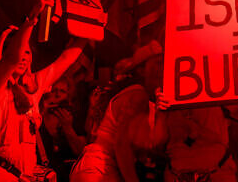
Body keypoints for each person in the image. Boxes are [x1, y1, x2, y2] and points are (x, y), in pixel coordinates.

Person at [0, 0, 88, 181]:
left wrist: (92, 25)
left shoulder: (34, 87)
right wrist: (33, 15)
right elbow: (12, 58)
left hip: (23, 175)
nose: (23, 57)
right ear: (1, 53)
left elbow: (67, 58)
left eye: (28, 52)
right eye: (19, 50)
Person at [70, 41, 169, 182]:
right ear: (141, 70)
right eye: (158, 63)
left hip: (96, 168)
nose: (163, 69)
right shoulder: (137, 94)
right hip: (101, 170)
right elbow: (122, 145)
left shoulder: (143, 99)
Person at [40, 77, 87, 182]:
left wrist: (67, 127)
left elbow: (81, 152)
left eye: (62, 91)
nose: (57, 95)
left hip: (68, 175)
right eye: (54, 90)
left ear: (69, 96)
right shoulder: (38, 118)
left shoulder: (75, 118)